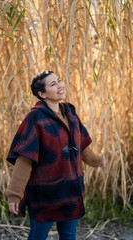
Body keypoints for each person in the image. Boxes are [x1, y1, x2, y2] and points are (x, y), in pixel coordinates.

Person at [6, 70, 104, 240]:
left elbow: (81, 145)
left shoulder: (70, 113)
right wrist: (14, 194)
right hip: (46, 193)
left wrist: (97, 161)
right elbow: (24, 159)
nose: (60, 85)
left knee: (68, 236)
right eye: (53, 84)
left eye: (59, 81)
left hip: (71, 190)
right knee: (38, 236)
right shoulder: (35, 119)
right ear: (41, 94)